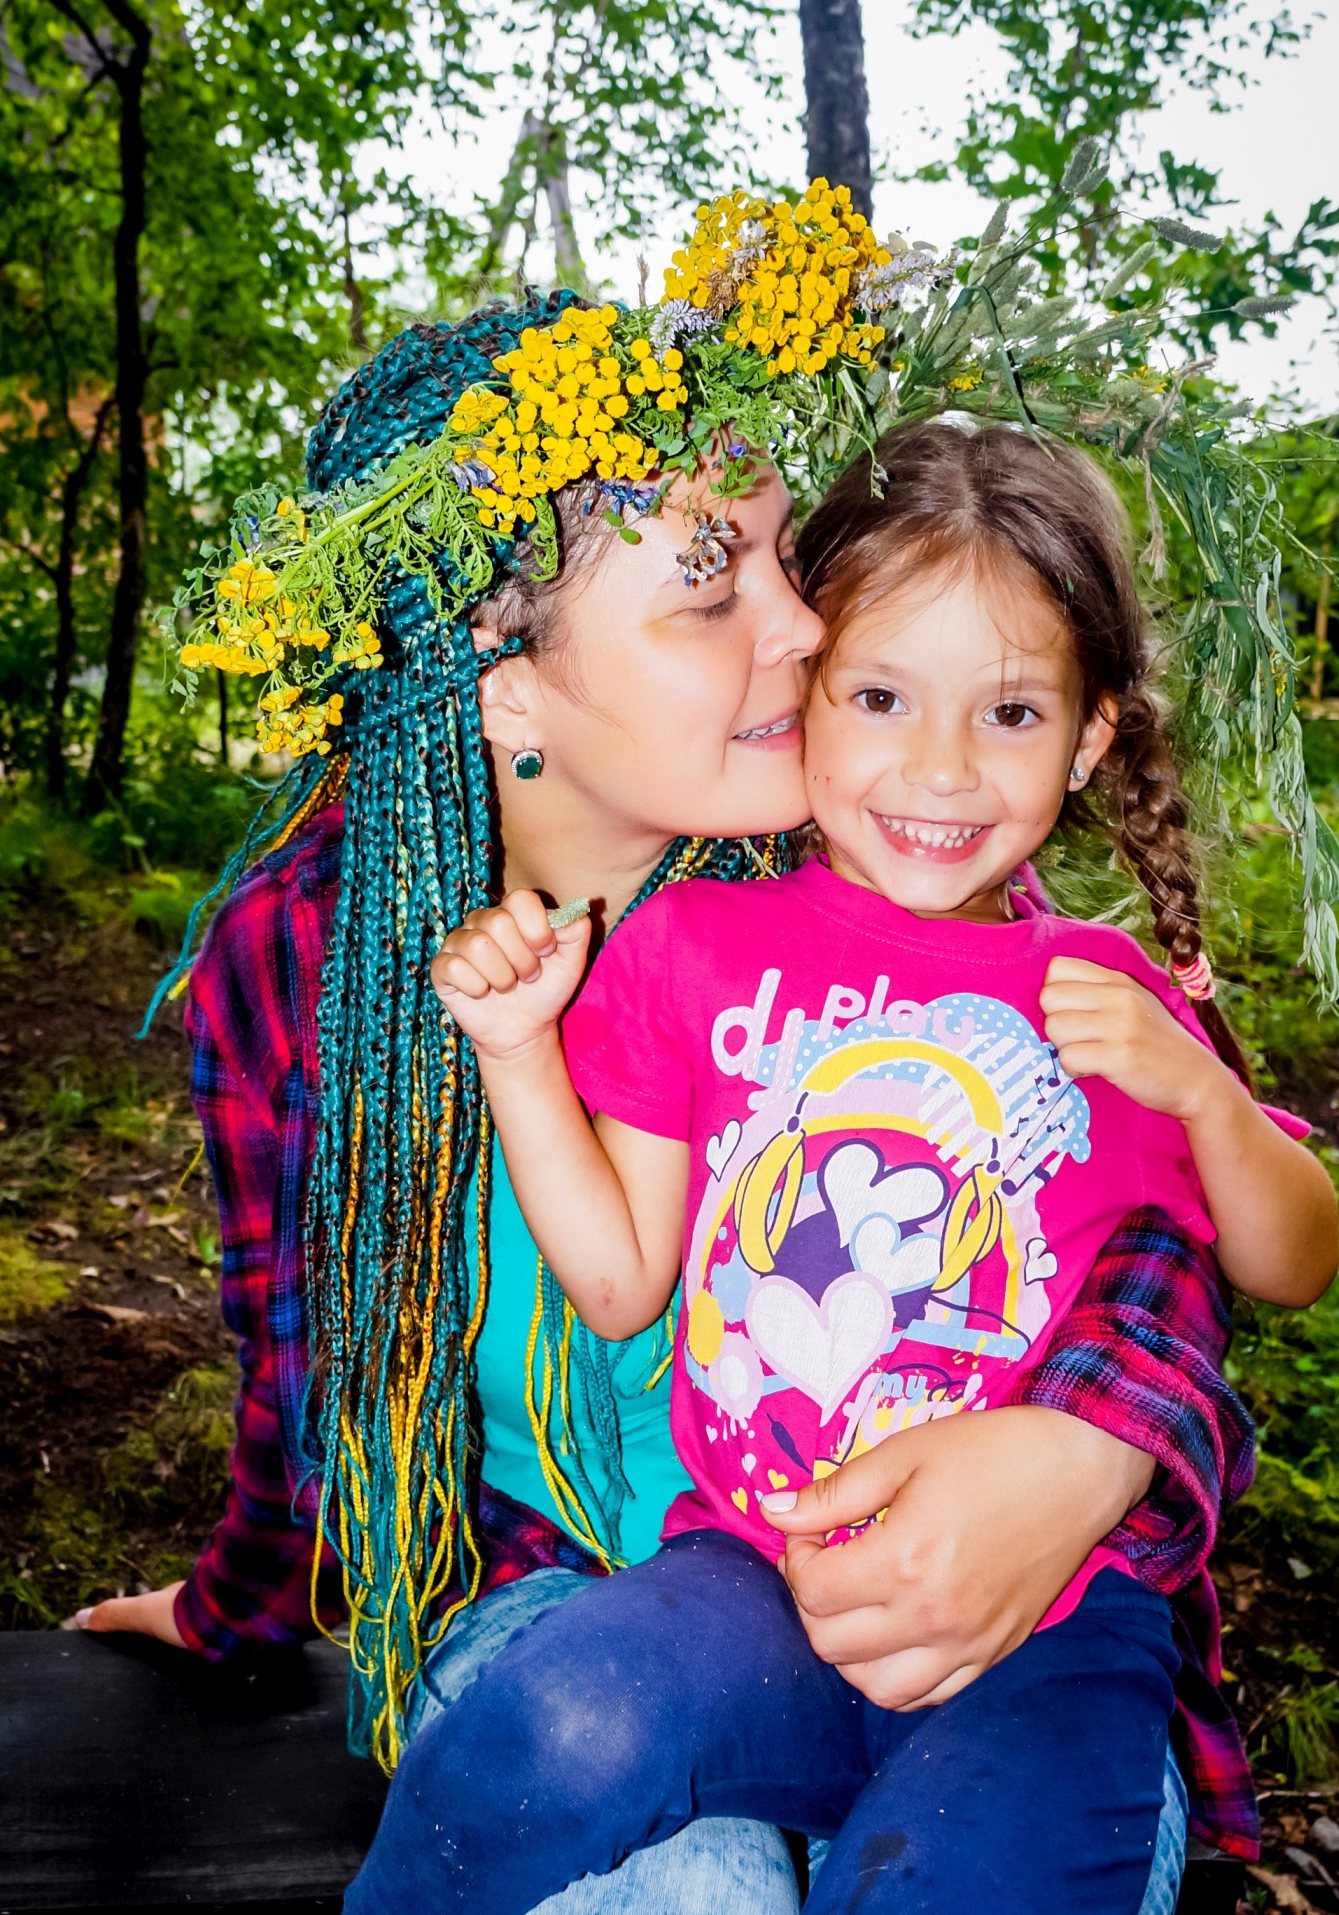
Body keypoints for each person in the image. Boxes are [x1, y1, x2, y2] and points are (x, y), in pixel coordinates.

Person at [76, 189, 1286, 1910]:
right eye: (716, 586)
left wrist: (1089, 1455)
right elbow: (306, 1364)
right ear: (504, 682)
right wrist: (230, 1611)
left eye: (785, 559)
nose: (805, 626)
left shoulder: (867, 839)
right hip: (586, 1610)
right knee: (701, 1886)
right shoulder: (311, 954)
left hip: (990, 1619)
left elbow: (1149, 1219)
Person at [345, 419, 1337, 1914]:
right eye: (880, 698)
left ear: (1088, 740)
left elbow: (1294, 1258)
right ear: (803, 700)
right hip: (756, 1573)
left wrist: (1206, 1096)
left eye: (1011, 714)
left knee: (952, 1882)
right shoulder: (694, 948)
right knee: (560, 1722)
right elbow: (616, 1285)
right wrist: (516, 1051)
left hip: (1046, 1628)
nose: (940, 767)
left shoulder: (1105, 994)